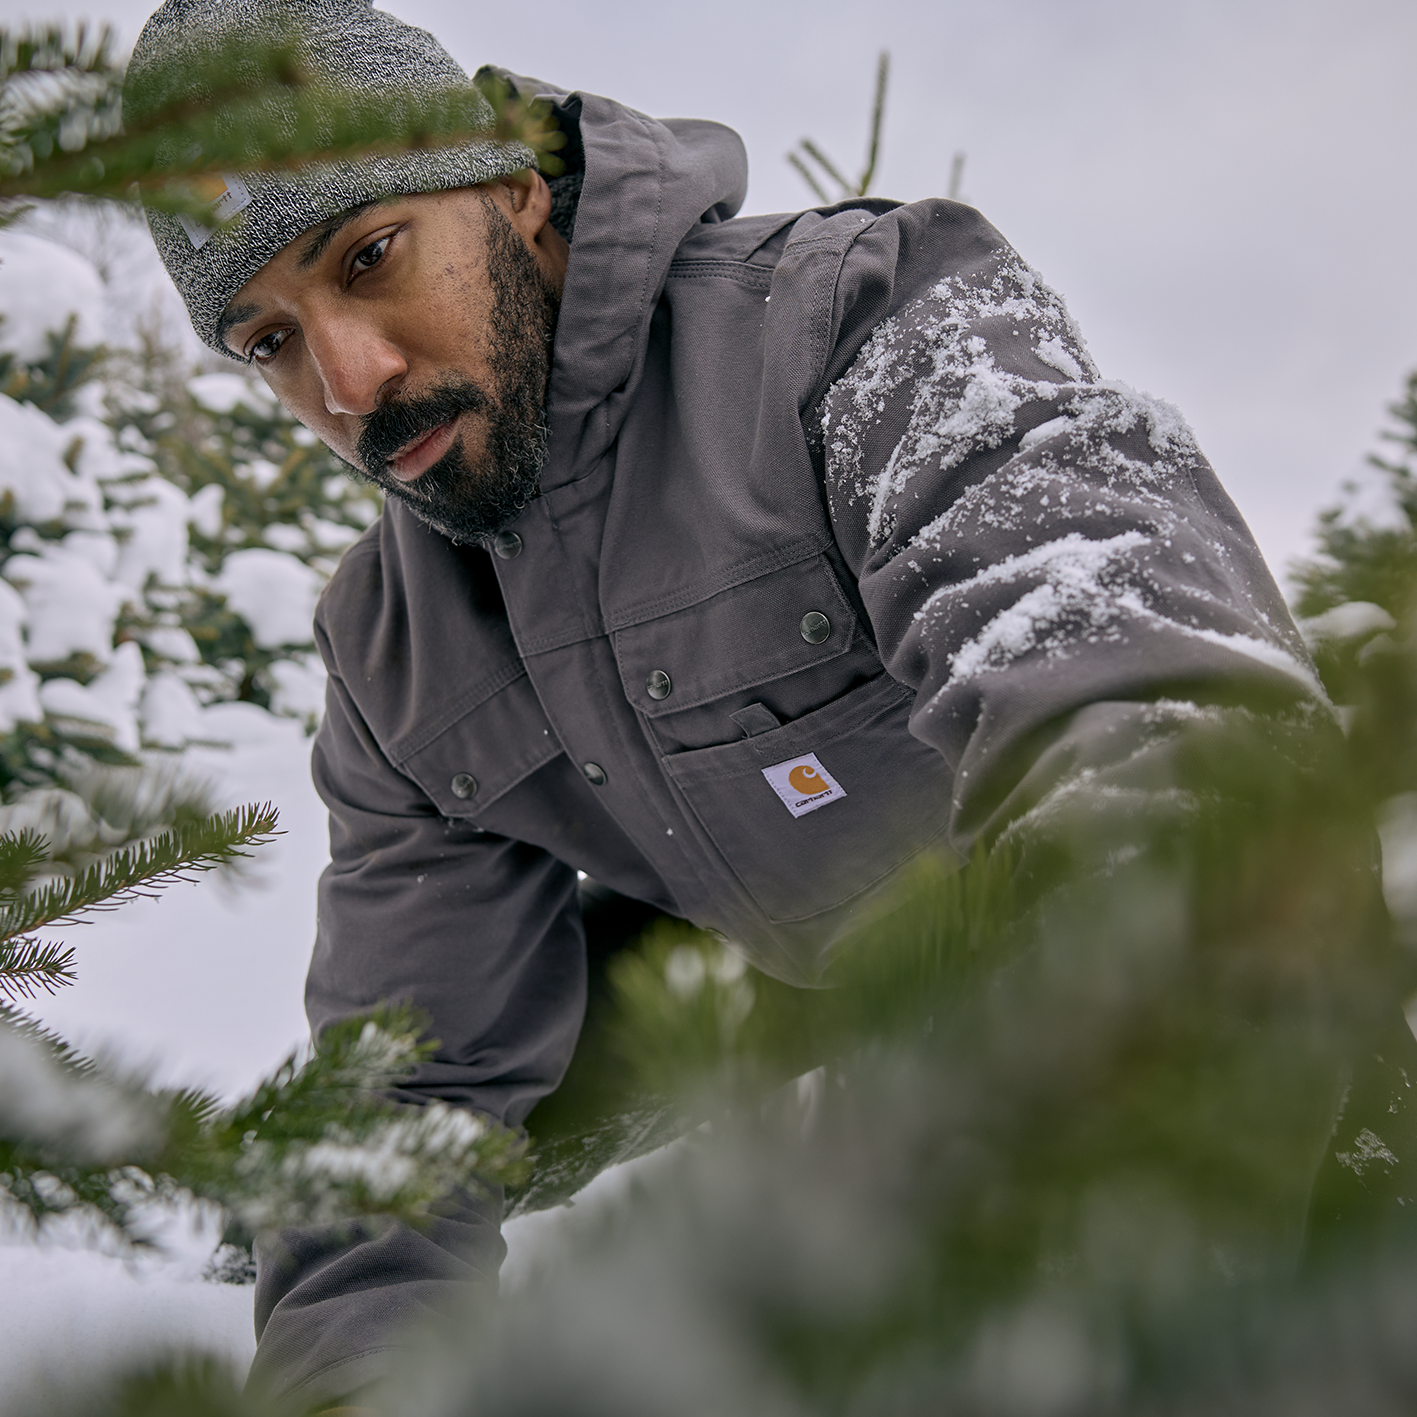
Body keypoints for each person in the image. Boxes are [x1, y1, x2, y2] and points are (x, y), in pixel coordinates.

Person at [126, 0, 1355, 1408]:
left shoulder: (857, 318)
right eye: (271, 340)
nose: (350, 384)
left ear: (510, 190)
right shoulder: (393, 648)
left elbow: (1154, 727)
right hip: (768, 982)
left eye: (370, 259)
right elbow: (399, 1110)